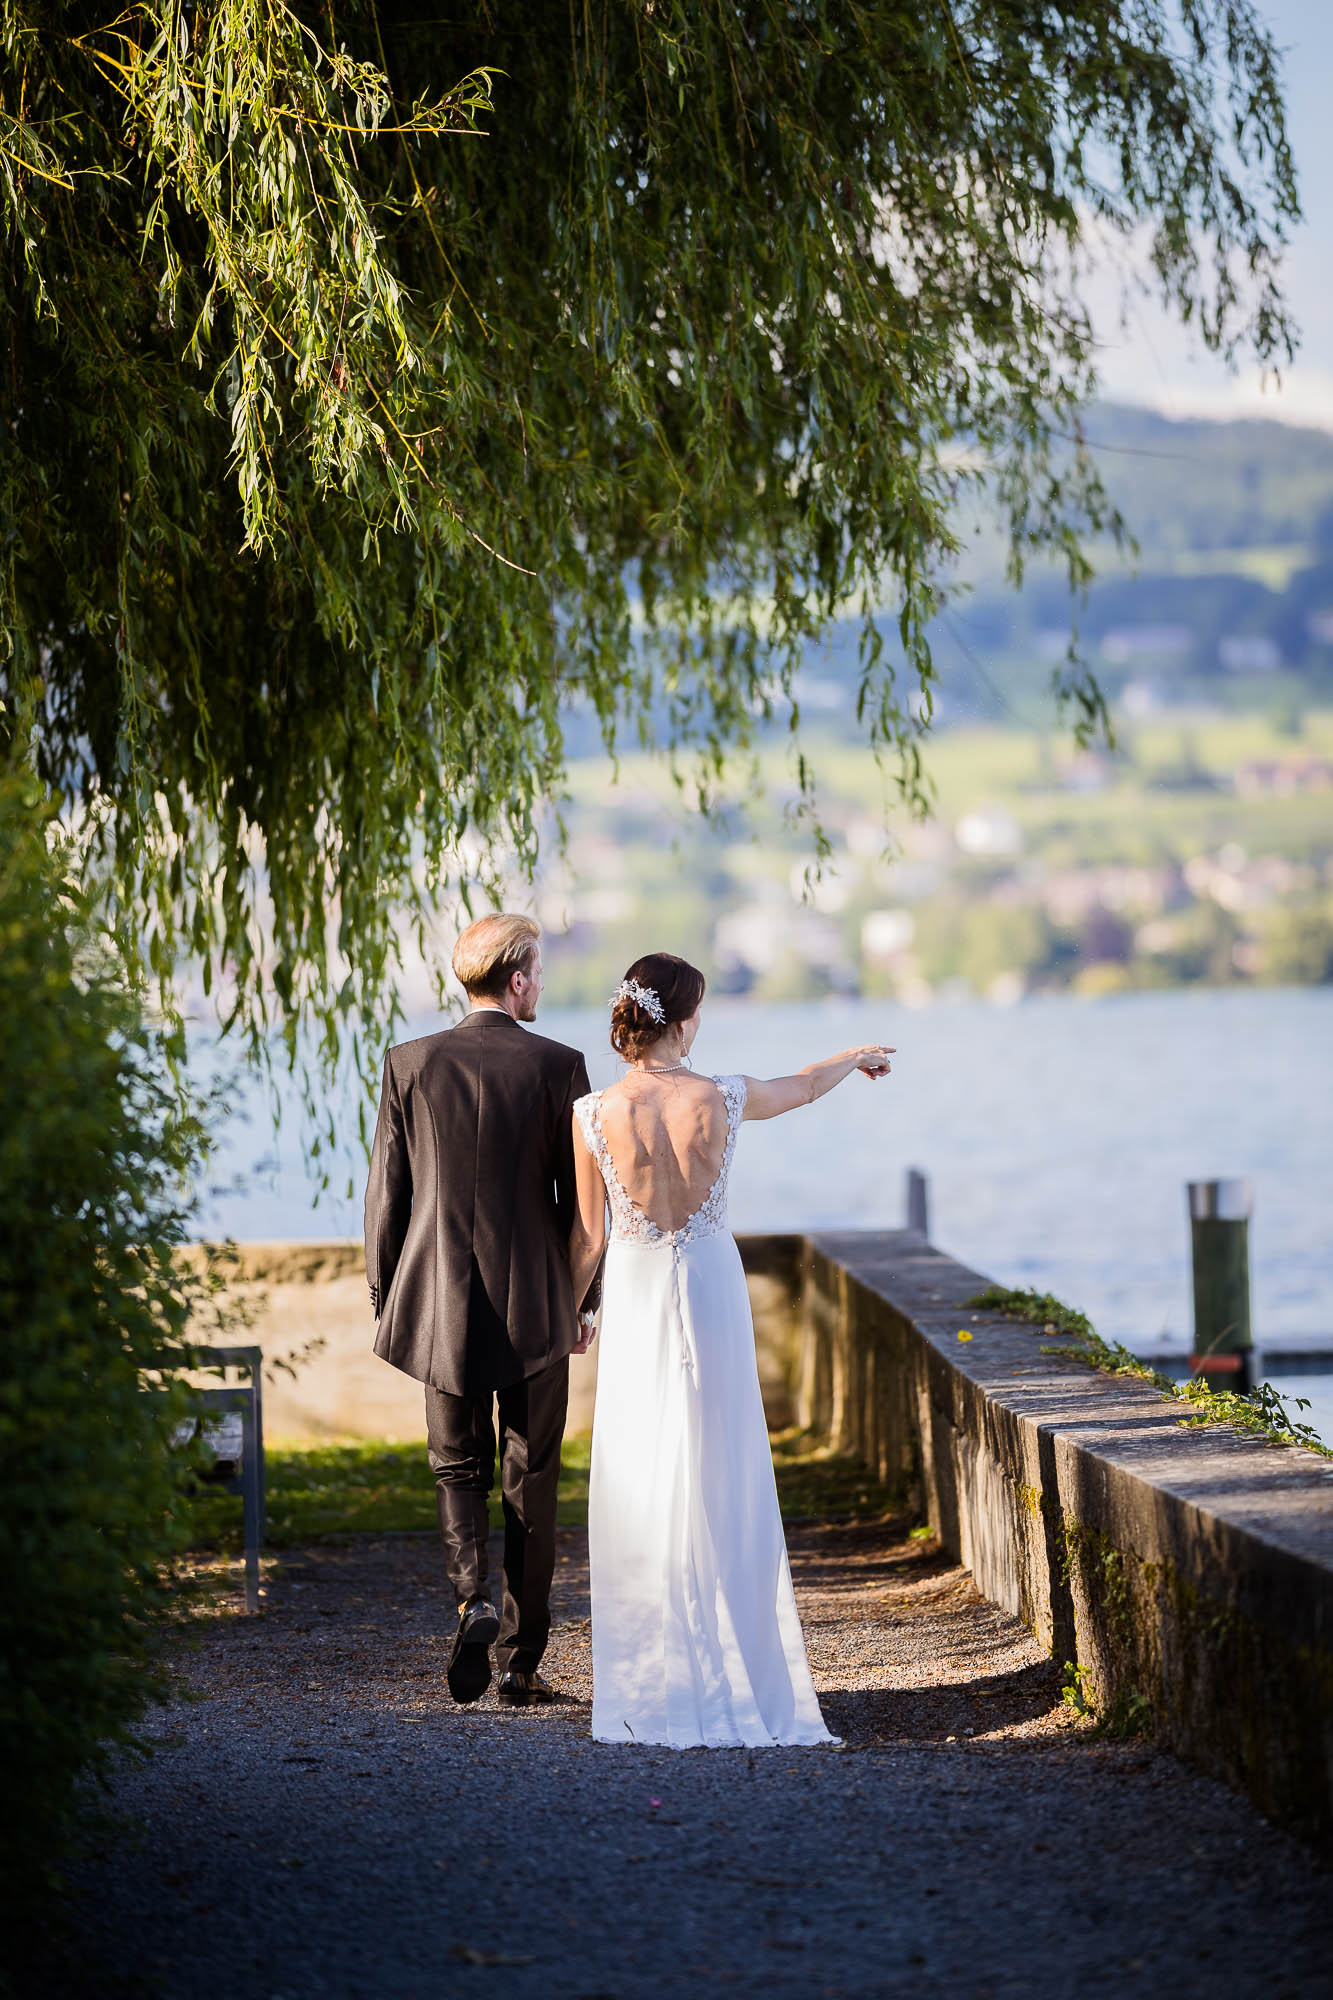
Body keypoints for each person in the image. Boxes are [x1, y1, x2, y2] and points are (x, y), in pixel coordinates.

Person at [568, 951, 894, 1748]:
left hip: (639, 1288)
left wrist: (580, 1312)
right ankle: (746, 1667)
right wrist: (853, 1058)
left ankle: (654, 1682)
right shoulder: (723, 1096)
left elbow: (588, 1235)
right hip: (710, 1282)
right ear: (682, 1017)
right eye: (701, 1007)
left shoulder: (589, 1112)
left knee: (641, 1466)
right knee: (726, 1457)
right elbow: (803, 1086)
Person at [364, 914, 600, 1709]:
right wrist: (583, 1299)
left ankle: (473, 1602)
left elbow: (385, 1195)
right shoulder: (559, 1066)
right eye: (539, 970)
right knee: (530, 1476)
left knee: (454, 1466)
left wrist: (384, 1294)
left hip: (434, 1302)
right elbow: (581, 1205)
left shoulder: (409, 1063)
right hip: (537, 1299)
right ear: (519, 979)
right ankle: (522, 1661)